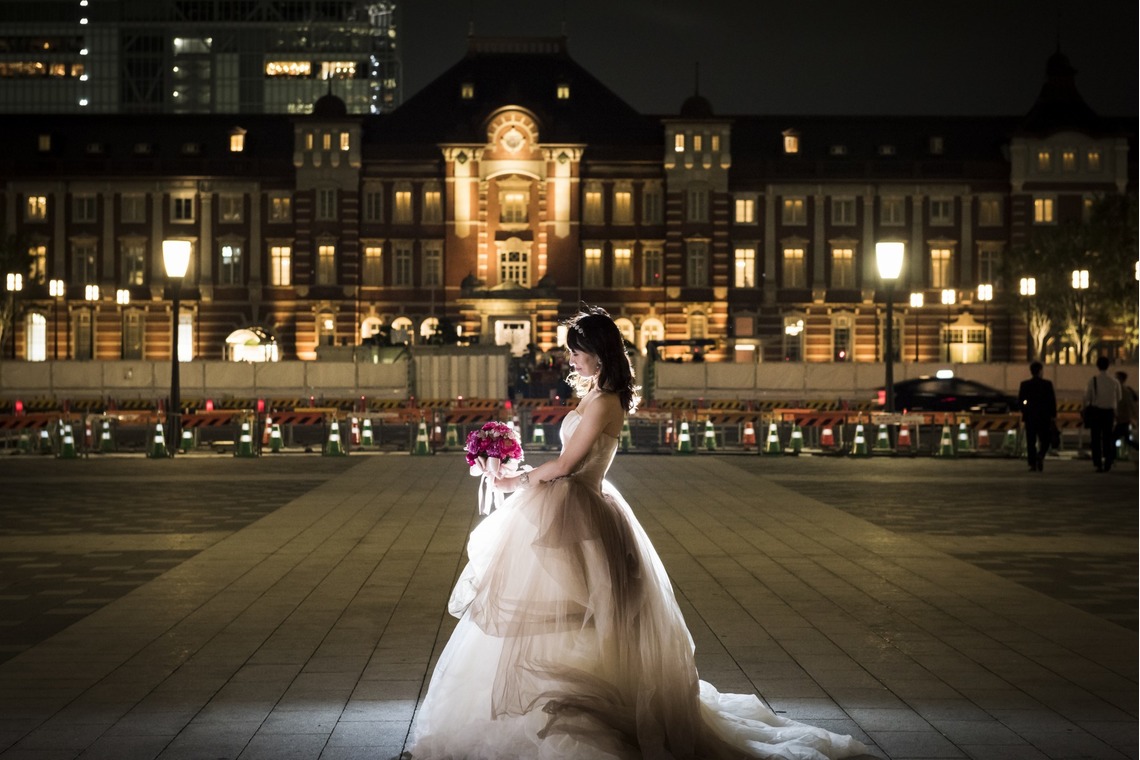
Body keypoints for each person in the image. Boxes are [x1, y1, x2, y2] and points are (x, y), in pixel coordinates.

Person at [410, 306, 868, 759]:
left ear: (598, 353)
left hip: (581, 508)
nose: (570, 359)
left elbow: (569, 465)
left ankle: (588, 705)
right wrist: (525, 469)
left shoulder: (605, 401)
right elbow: (566, 461)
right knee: (563, 610)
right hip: (571, 502)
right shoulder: (594, 396)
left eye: (576, 351)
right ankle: (559, 701)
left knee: (579, 609)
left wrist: (514, 480)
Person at [1083, 356, 1122, 473]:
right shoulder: (1115, 382)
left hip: (1096, 412)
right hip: (1109, 412)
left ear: (1097, 366)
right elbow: (1119, 397)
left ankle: (1098, 463)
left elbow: (1087, 397)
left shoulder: (1093, 380)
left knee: (1095, 439)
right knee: (1108, 438)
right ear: (1108, 366)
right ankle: (1108, 462)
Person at [1018, 361, 1057, 471]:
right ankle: (1040, 455)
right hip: (1044, 417)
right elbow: (1052, 401)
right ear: (1040, 371)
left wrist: (1025, 411)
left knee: (1031, 441)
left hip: (1030, 417)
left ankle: (1032, 463)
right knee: (1045, 440)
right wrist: (1053, 415)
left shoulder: (1025, 385)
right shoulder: (1047, 384)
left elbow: (1021, 401)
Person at [1114, 370, 1138, 452]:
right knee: (1127, 440)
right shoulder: (1123, 390)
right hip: (1124, 419)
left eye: (1116, 377)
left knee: (1113, 438)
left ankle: (1110, 458)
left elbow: (1129, 405)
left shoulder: (1123, 391)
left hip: (1122, 419)